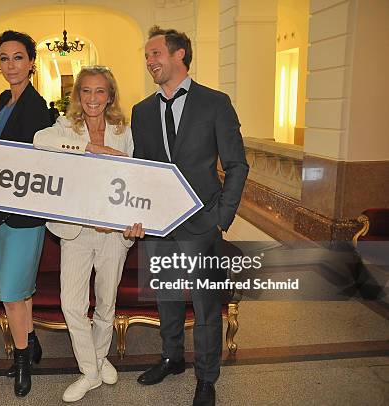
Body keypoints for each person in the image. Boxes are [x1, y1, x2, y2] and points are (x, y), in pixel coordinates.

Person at [125, 26, 248, 406]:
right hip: (159, 225)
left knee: (206, 304)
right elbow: (142, 170)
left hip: (202, 222)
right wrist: (138, 212)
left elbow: (237, 165)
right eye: (147, 56)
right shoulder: (141, 111)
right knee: (165, 298)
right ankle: (171, 357)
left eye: (156, 53)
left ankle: (206, 377)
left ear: (179, 55)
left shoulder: (215, 103)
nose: (150, 61)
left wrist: (221, 218)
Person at [33, 66, 137, 402]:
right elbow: (39, 142)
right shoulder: (65, 127)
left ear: (110, 96)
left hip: (111, 233)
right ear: (78, 95)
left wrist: (125, 222)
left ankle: (99, 357)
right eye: (87, 91)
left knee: (107, 302)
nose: (93, 98)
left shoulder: (123, 130)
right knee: (72, 304)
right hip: (75, 231)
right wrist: (94, 149)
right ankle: (90, 370)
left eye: (100, 91)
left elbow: (132, 178)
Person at [0, 30, 51, 398]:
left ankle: (21, 364)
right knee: (14, 290)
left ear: (32, 62)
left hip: (19, 218)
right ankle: (30, 344)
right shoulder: (5, 100)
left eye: (18, 57)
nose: (10, 64)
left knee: (14, 294)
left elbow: (34, 176)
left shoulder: (37, 109)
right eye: (3, 58)